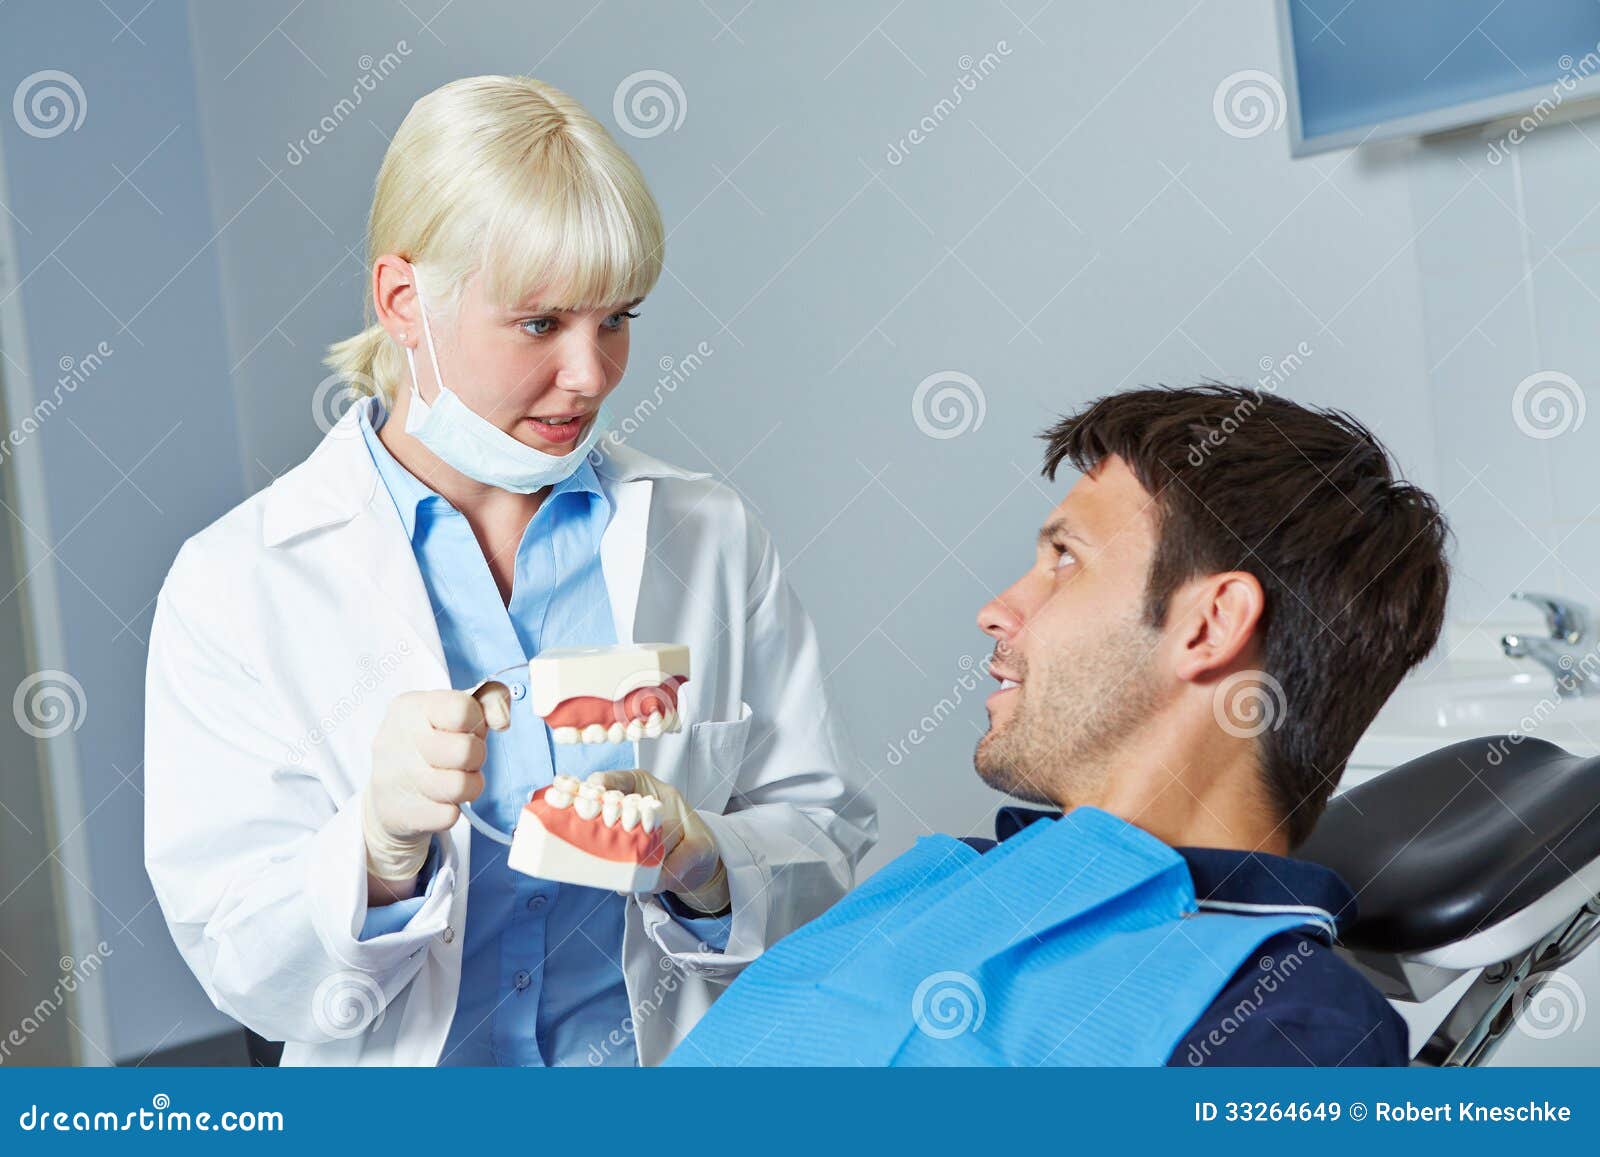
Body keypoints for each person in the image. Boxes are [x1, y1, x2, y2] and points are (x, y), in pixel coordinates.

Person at [143, 75, 876, 1067]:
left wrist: (704, 859)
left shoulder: (707, 533)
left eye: (617, 318)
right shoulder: (236, 582)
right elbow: (241, 958)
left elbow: (822, 842)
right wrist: (377, 848)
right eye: (541, 323)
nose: (592, 373)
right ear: (404, 300)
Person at [667, 384, 1449, 1067]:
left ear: (1210, 625)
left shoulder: (1284, 1028)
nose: (997, 610)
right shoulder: (952, 878)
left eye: (1066, 559)